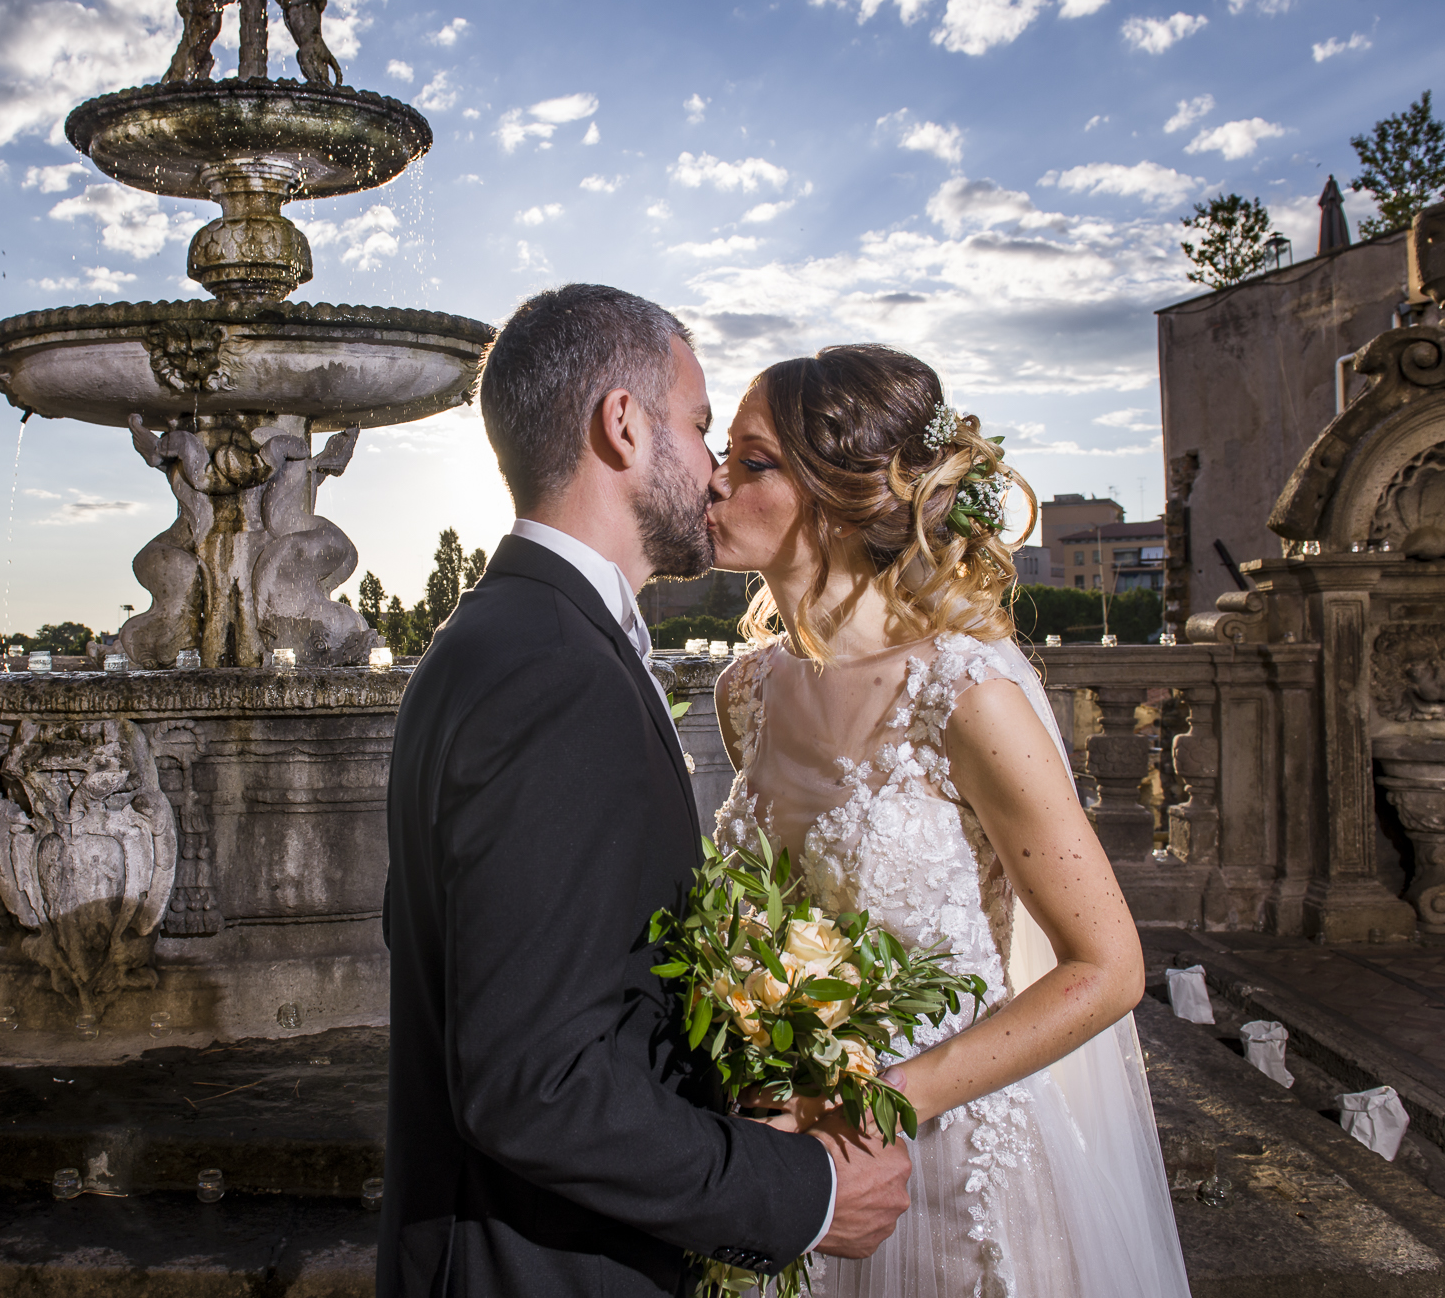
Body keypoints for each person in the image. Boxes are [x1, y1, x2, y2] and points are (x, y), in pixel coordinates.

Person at [381, 287, 914, 1296]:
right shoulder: (548, 668)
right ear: (623, 427)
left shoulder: (501, 640)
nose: (714, 470)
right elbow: (533, 1083)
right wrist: (797, 1192)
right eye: (702, 427)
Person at [706, 344, 1193, 1298]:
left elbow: (1109, 970)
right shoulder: (747, 692)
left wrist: (878, 1107)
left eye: (752, 462)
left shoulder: (966, 696)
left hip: (952, 1165)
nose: (713, 483)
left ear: (842, 494)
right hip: (793, 1166)